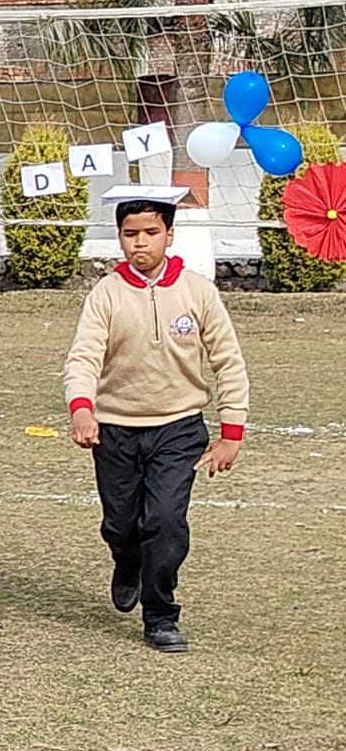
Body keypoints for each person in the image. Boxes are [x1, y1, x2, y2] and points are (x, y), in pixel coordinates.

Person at [64, 187, 250, 654]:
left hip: (179, 428)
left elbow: (228, 360)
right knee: (121, 525)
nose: (140, 243)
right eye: (130, 234)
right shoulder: (105, 294)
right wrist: (82, 408)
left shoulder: (198, 292)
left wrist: (231, 431)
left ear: (169, 234)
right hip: (115, 429)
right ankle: (126, 563)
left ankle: (161, 614)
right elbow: (83, 357)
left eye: (150, 233)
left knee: (165, 521)